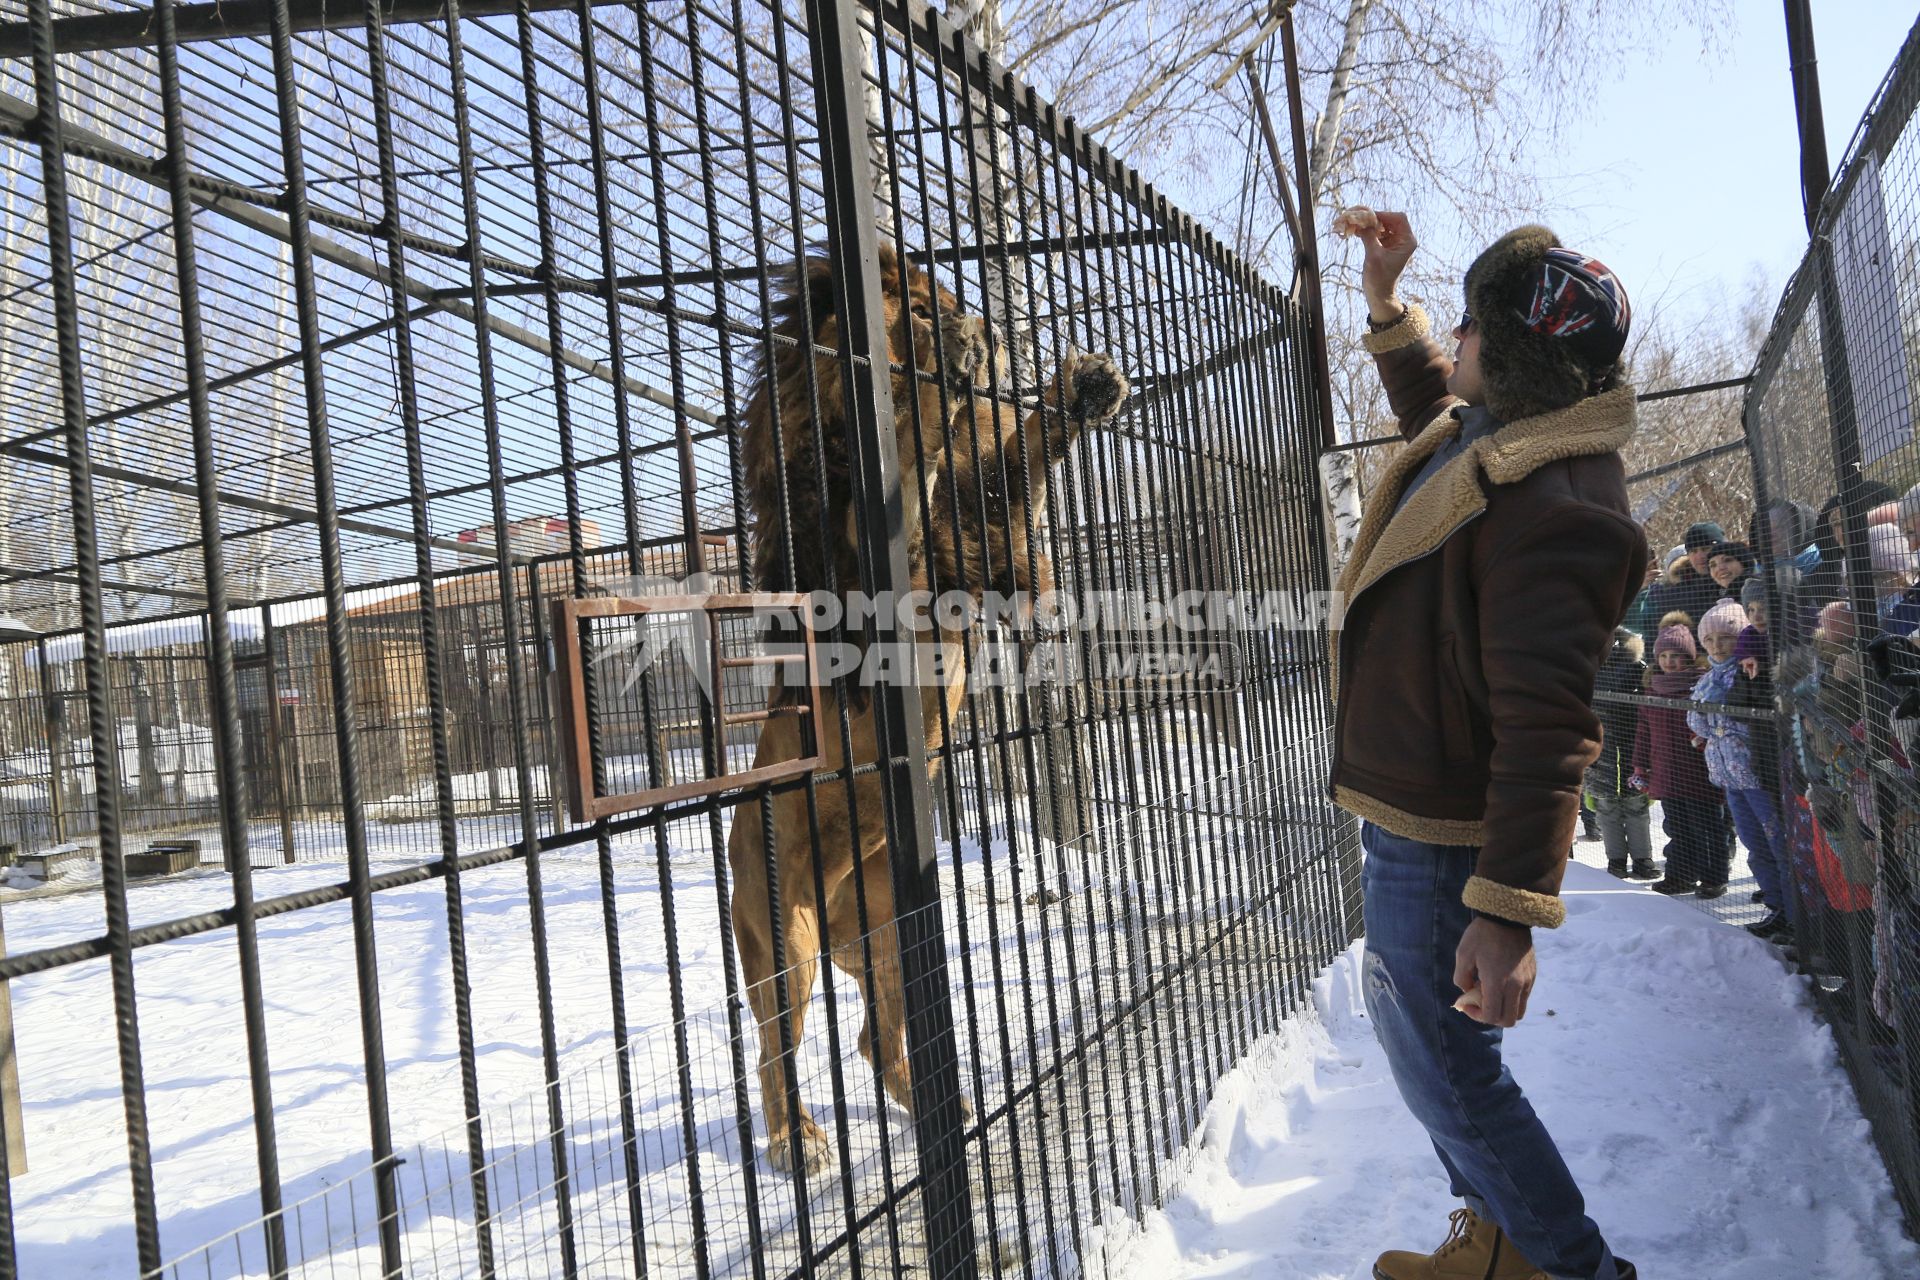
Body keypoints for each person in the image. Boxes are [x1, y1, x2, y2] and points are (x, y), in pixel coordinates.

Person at [1336, 210, 1642, 1280]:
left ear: (1511, 356)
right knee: (1427, 1058)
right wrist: (1388, 303)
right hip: (1416, 820)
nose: (1454, 340)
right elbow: (1438, 408)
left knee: (1454, 1076)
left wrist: (1506, 911)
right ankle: (1496, 1242)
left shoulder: (1558, 506)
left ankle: (1572, 1267)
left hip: (1448, 842)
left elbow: (1550, 728)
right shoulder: (1501, 438)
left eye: (1470, 326)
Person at [1689, 601, 1791, 933]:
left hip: (1757, 772)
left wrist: (1719, 720)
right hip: (1727, 774)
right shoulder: (1706, 678)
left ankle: (1794, 912)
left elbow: (1745, 719)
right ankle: (1775, 904)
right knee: (1752, 841)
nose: (1717, 647)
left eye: (1725, 638)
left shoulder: (1750, 670)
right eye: (1709, 640)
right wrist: (1712, 720)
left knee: (1778, 840)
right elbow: (1697, 723)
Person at [1633, 623, 1728, 897]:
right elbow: (1643, 732)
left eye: (1675, 655)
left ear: (1688, 656)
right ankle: (1679, 875)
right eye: (1663, 656)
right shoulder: (1652, 691)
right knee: (1676, 828)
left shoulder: (1701, 684)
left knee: (1708, 827)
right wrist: (1640, 764)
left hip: (1700, 771)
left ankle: (1714, 877)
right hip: (1666, 771)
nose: (1669, 662)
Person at [1588, 626, 1656, 879]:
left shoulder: (1632, 663)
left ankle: (1641, 859)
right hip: (1600, 748)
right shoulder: (1587, 662)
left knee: (1634, 806)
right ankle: (1617, 859)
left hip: (1630, 746)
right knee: (1609, 809)